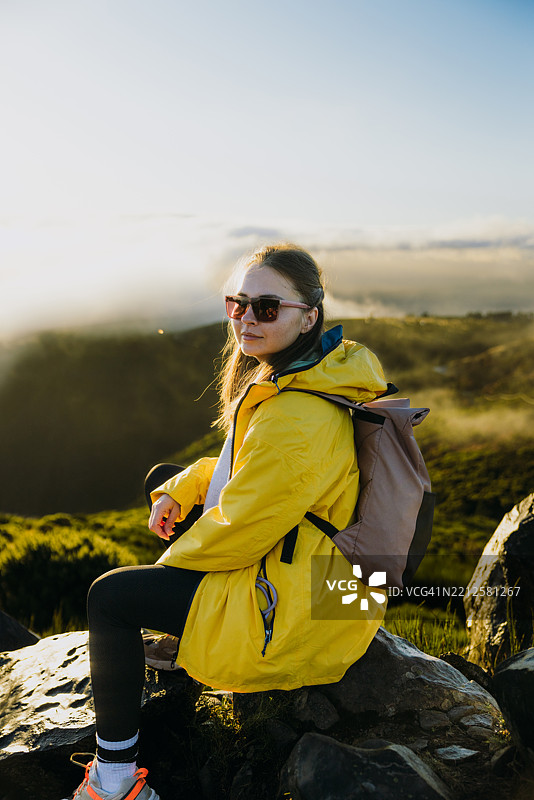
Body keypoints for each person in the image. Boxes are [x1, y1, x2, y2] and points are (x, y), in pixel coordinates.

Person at [64, 243, 389, 800]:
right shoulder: (309, 375)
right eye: (238, 303)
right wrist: (182, 487)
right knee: (165, 478)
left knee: (112, 598)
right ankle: (181, 636)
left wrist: (159, 578)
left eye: (267, 307)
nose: (246, 318)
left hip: (299, 608)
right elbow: (251, 472)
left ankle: (114, 781)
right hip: (313, 568)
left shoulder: (298, 412)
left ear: (309, 316)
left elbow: (243, 527)